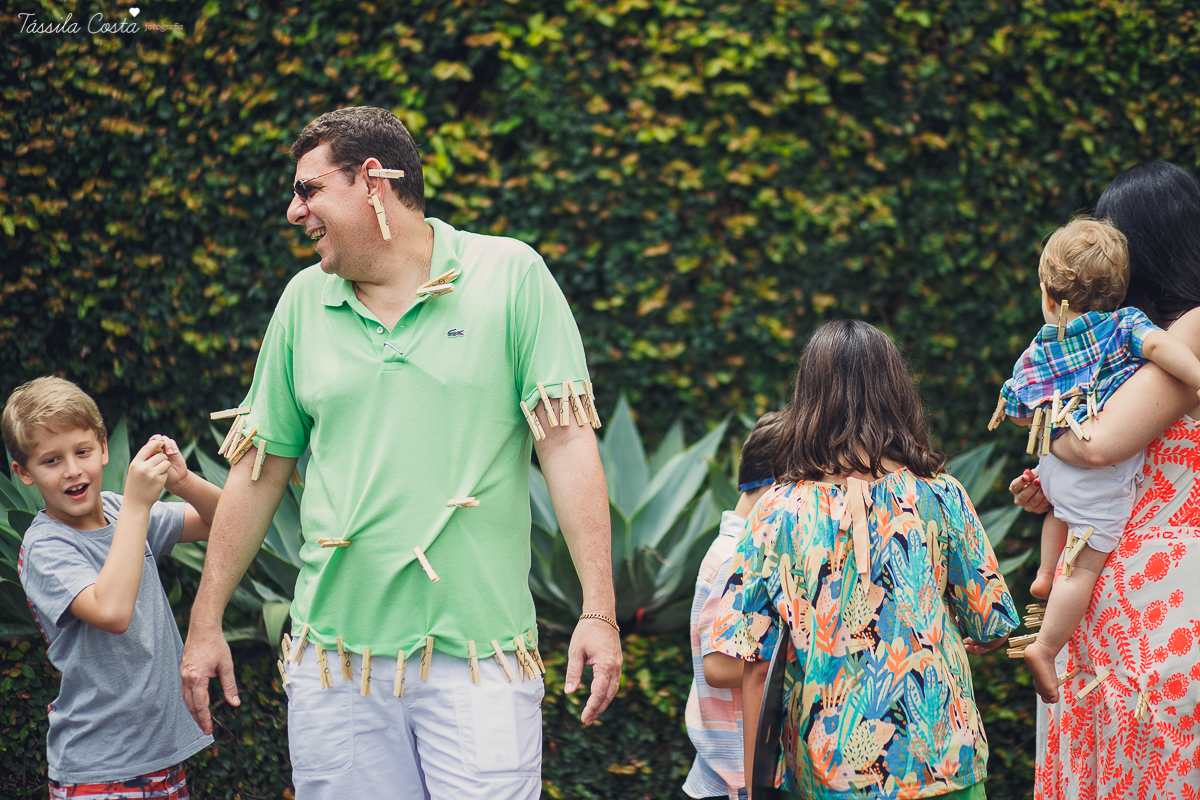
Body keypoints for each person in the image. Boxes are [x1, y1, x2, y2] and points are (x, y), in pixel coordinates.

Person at [178, 106, 621, 799]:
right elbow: (257, 475)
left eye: (309, 190)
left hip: (480, 661)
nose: (294, 212)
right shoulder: (302, 302)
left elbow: (566, 443)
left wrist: (599, 609)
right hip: (334, 667)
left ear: (373, 181)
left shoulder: (511, 275)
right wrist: (205, 622)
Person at [710, 320, 1018, 800]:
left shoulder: (776, 511)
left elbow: (753, 664)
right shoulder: (943, 496)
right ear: (897, 394)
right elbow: (991, 625)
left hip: (827, 776)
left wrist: (755, 791)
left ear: (809, 400)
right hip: (945, 765)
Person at [1008, 162, 1200, 799]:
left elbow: (1100, 443)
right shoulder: (1122, 340)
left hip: (1161, 597)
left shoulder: (1190, 326)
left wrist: (1043, 428)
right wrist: (1053, 481)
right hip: (1116, 586)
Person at [4, 376, 220, 799]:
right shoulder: (45, 546)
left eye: (82, 451)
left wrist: (183, 483)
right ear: (23, 472)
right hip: (98, 771)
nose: (72, 470)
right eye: (51, 460)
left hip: (161, 759)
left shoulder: (121, 510)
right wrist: (139, 505)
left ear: (104, 448)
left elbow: (224, 522)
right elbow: (112, 612)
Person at [685, 411, 786, 800]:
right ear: (775, 487)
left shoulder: (733, 548)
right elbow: (719, 666)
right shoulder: (737, 557)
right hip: (736, 776)